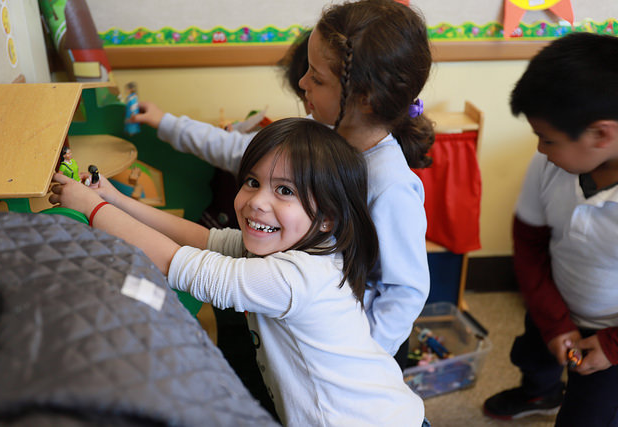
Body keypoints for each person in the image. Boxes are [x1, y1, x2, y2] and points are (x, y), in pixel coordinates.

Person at [49, 118, 427, 427]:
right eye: (252, 182)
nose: (257, 202)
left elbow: (180, 264)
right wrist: (115, 199)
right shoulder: (297, 245)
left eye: (284, 191)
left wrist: (92, 209)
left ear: (328, 217)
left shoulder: (296, 277)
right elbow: (204, 239)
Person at [132, 0, 434, 365]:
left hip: (345, 359)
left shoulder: (390, 185)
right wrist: (168, 123)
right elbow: (238, 151)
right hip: (294, 330)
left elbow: (404, 292)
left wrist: (362, 361)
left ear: (366, 99)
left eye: (317, 78)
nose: (302, 82)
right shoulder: (322, 136)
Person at [483, 33, 618, 426]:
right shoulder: (550, 166)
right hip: (553, 300)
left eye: (547, 139)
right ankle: (540, 390)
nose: (540, 150)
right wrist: (553, 320)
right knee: (533, 353)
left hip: (610, 334)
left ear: (601, 134)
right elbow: (528, 244)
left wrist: (611, 345)